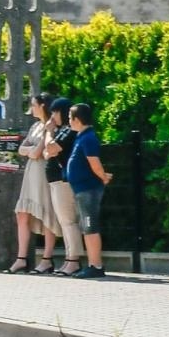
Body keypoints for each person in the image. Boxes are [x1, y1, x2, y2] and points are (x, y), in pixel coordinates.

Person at [7, 92, 60, 274]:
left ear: (42, 106)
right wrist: (31, 150)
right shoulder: (35, 126)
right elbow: (21, 149)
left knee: (47, 214)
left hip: (43, 173)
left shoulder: (51, 126)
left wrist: (31, 150)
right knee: (22, 213)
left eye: (34, 105)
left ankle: (47, 259)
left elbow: (38, 152)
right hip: (31, 173)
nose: (31, 109)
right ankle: (21, 259)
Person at [64, 103, 113, 279]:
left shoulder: (88, 138)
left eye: (70, 118)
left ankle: (96, 265)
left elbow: (94, 163)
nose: (69, 121)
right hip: (81, 189)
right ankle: (93, 264)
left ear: (77, 119)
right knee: (87, 226)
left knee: (90, 226)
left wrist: (103, 177)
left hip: (88, 189)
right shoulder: (82, 137)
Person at [42, 97, 85, 276]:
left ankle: (73, 260)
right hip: (56, 181)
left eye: (54, 112)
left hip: (63, 181)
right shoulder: (62, 131)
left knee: (68, 220)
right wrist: (51, 140)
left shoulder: (68, 131)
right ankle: (69, 258)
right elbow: (46, 153)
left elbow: (51, 149)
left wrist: (49, 132)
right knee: (64, 221)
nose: (52, 116)